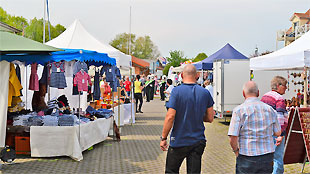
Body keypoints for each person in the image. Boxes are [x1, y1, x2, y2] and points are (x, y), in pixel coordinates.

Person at [160, 64, 214, 173]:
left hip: (179, 140)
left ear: (181, 75)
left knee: (171, 171)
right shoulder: (205, 93)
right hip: (197, 141)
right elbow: (210, 118)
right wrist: (197, 115)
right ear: (197, 75)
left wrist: (164, 138)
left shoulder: (176, 91)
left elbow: (170, 116)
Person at [228, 81, 281, 174]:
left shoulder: (239, 111)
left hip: (246, 155)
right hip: (267, 155)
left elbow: (233, 137)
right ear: (258, 93)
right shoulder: (270, 110)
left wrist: (236, 151)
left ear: (243, 93)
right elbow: (278, 132)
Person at [261, 76, 288, 174]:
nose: (286, 88)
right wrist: (280, 135)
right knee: (278, 159)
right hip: (275, 133)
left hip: (265, 132)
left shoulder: (264, 97)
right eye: (285, 85)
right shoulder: (279, 98)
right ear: (278, 86)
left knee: (266, 158)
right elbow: (280, 118)